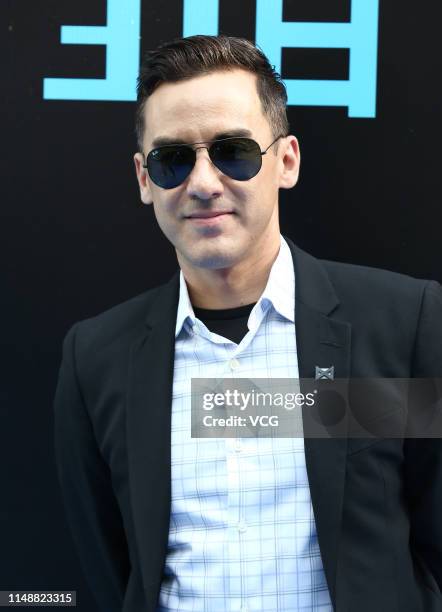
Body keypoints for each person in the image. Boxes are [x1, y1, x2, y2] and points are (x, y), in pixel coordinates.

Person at [54, 35, 442, 612]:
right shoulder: (97, 358)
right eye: (172, 160)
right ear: (143, 179)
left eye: (233, 151)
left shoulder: (403, 323)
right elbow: (110, 563)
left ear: (285, 161)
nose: (204, 183)